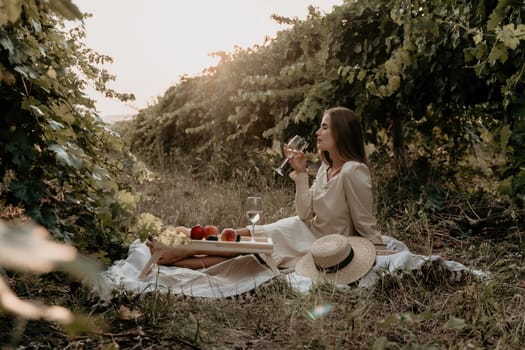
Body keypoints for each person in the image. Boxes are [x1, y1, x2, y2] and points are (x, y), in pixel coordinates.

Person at [148, 106, 385, 269]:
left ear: (341, 133)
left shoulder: (353, 170)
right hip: (301, 228)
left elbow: (365, 223)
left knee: (243, 251)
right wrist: (301, 174)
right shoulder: (326, 167)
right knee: (244, 235)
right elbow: (305, 214)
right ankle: (185, 239)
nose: (317, 132)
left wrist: (380, 254)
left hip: (323, 243)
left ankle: (178, 253)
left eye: (324, 127)